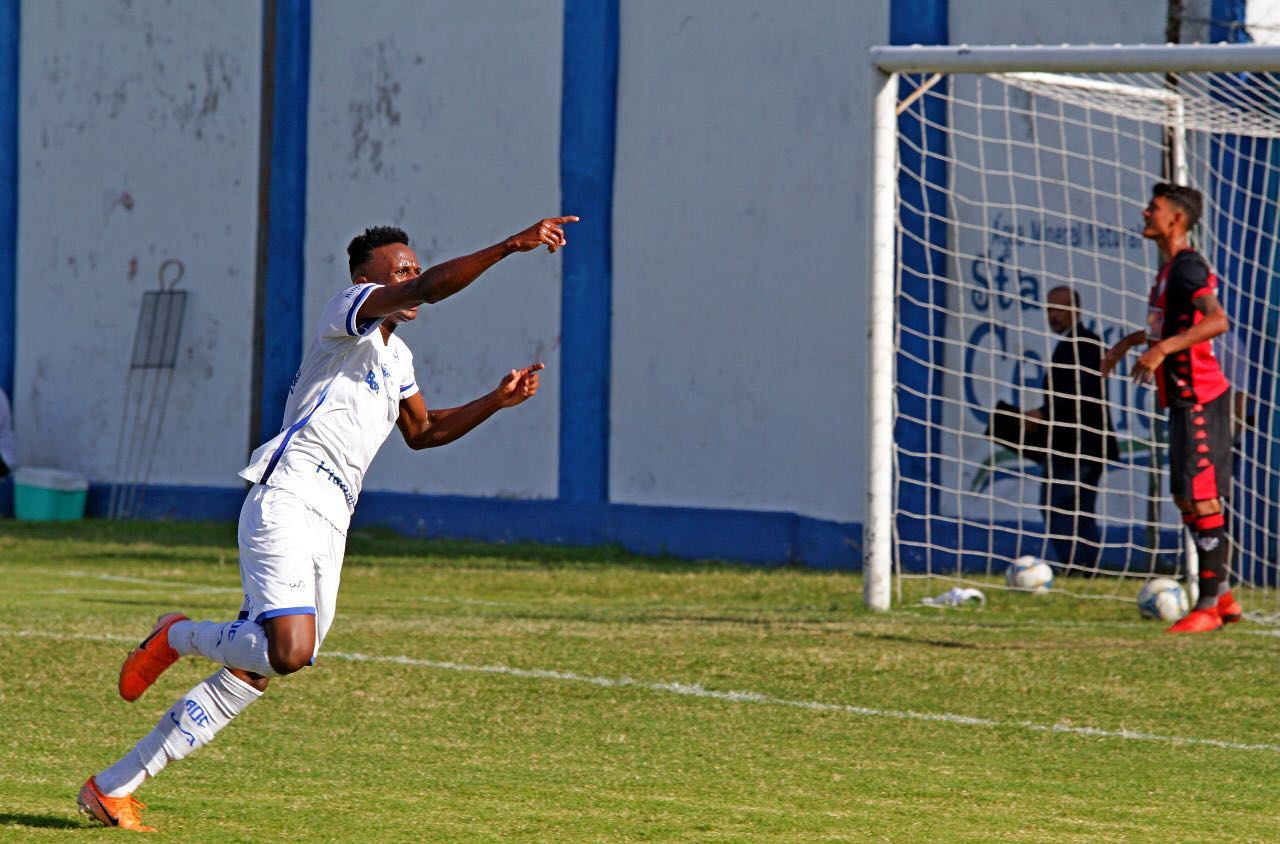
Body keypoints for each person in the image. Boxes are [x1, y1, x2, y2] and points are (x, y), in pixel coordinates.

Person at [76, 215, 578, 831]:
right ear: (368, 279)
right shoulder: (350, 312)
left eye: (415, 267)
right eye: (401, 268)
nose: (412, 276)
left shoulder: (398, 360)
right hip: (287, 495)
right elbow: (426, 292)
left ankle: (112, 787)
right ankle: (177, 635)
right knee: (287, 652)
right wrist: (508, 245)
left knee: (262, 668)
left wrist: (495, 402)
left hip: (334, 518)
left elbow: (423, 433)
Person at [1102, 183, 1240, 633]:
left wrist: (1161, 353)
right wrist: (1132, 342)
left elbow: (1217, 320)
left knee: (1201, 497)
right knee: (1184, 496)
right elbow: (1172, 326)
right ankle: (1224, 597)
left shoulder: (1186, 268)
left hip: (1201, 395)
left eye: (1154, 208)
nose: (1145, 212)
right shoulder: (1168, 272)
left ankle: (1208, 606)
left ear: (1176, 219)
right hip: (1182, 397)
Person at [1023, 285, 1118, 574]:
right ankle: (1082, 566)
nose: (1052, 315)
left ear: (1076, 310)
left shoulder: (1084, 343)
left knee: (1060, 506)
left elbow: (1083, 394)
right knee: (1075, 509)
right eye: (1049, 309)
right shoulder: (1072, 343)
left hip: (1080, 445)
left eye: (1059, 309)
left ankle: (1078, 566)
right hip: (1075, 443)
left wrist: (1044, 414)